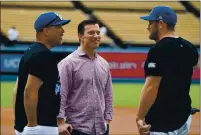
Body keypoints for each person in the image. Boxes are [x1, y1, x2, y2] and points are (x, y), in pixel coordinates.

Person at [136, 6, 199, 135]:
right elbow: (195, 65)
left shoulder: (158, 50)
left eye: (150, 22)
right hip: (183, 118)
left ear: (160, 24)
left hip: (161, 121)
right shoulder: (189, 47)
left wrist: (139, 117)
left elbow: (151, 87)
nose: (148, 27)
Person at [13, 12, 71, 135]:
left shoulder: (30, 51)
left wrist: (19, 121)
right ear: (46, 30)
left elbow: (17, 89)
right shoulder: (43, 55)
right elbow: (29, 91)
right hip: (41, 126)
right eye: (58, 27)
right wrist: (33, 126)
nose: (62, 31)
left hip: (28, 126)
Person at [57, 19, 113, 135]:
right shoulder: (68, 63)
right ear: (80, 36)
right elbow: (61, 95)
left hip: (101, 129)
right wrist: (60, 122)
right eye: (91, 33)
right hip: (77, 128)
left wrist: (107, 119)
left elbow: (108, 94)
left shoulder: (104, 64)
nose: (96, 36)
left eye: (98, 32)